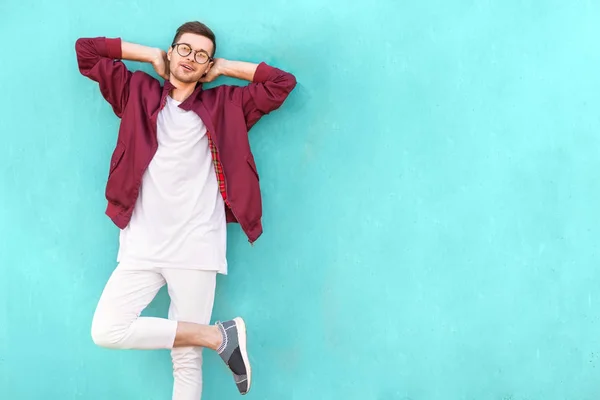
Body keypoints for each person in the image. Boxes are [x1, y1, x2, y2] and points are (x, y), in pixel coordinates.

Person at [75, 20, 296, 399]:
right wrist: (149, 56)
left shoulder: (225, 103)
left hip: (196, 245)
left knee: (186, 361)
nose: (191, 58)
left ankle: (212, 338)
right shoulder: (136, 91)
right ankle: (216, 335)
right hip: (142, 243)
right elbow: (87, 51)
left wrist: (225, 67)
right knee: (107, 330)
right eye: (184, 49)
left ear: (207, 64)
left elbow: (281, 84)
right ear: (172, 50)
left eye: (201, 55)